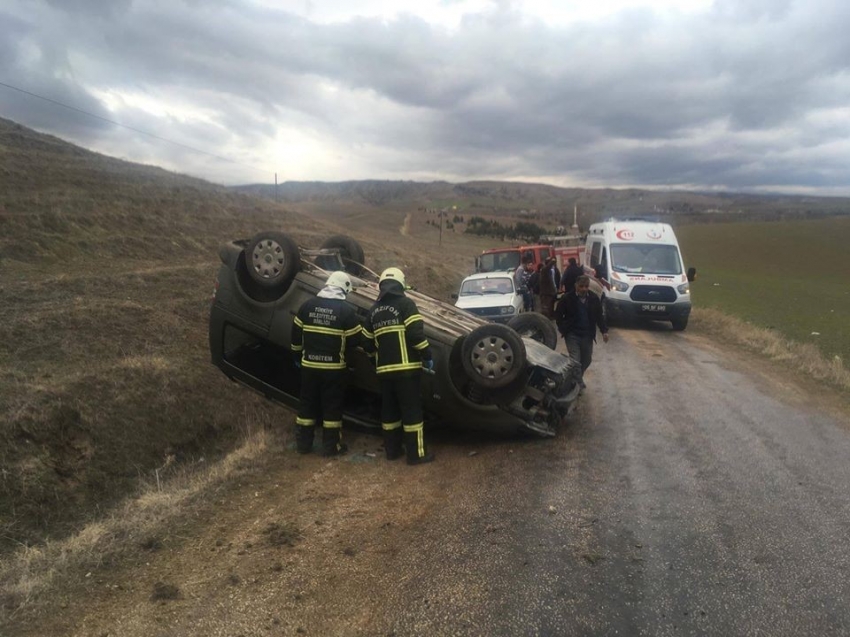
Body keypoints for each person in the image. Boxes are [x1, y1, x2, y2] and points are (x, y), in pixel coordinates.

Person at [363, 267, 435, 465]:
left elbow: (367, 343)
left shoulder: (373, 311)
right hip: (407, 371)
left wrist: (373, 360)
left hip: (384, 373)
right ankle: (416, 455)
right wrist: (427, 354)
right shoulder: (406, 304)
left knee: (390, 412)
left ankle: (392, 451)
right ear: (401, 284)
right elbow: (415, 335)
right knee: (412, 412)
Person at [291, 271, 363, 456]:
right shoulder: (346, 312)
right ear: (344, 288)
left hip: (309, 367)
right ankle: (331, 447)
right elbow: (356, 340)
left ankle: (303, 445)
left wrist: (298, 356)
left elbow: (296, 335)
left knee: (306, 405)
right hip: (333, 370)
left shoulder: (307, 306)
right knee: (332, 408)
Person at [554, 275, 609, 390]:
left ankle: (575, 377)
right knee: (575, 361)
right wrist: (563, 328)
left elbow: (599, 316)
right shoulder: (567, 298)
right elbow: (558, 315)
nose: (584, 289)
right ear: (576, 286)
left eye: (586, 286)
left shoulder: (594, 299)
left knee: (587, 359)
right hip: (572, 334)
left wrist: (604, 331)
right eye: (581, 286)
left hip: (587, 335)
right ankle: (578, 384)